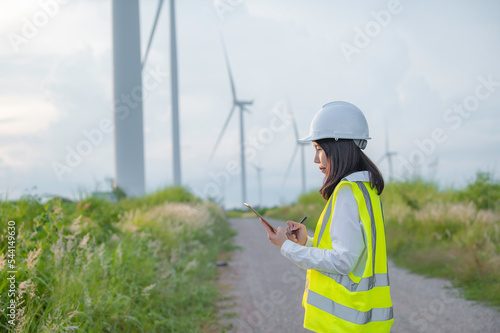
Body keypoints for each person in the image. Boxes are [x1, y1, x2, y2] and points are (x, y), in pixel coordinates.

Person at [260, 101, 394, 333]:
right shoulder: (366, 190)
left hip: (343, 323)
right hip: (360, 321)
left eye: (319, 149)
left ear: (339, 147)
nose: (315, 159)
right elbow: (353, 251)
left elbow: (343, 261)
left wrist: (286, 247)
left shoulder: (347, 193)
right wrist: (307, 242)